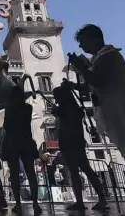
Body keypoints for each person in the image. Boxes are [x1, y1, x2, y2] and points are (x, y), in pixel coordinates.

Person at [69, 24, 125, 170]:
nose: (81, 46)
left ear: (95, 39)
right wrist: (75, 86)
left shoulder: (107, 56)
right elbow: (95, 85)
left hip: (120, 111)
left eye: (83, 41)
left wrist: (81, 67)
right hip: (115, 111)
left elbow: (98, 81)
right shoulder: (101, 58)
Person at [52, 83, 108, 211]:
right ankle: (101, 198)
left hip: (69, 143)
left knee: (75, 173)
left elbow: (63, 125)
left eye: (56, 97)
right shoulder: (75, 108)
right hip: (77, 143)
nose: (55, 100)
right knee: (87, 171)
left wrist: (57, 113)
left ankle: (80, 202)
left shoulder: (64, 110)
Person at [2, 86, 42, 214]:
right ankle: (35, 203)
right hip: (26, 142)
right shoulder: (28, 108)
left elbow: (6, 127)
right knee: (31, 173)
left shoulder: (9, 109)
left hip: (13, 144)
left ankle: (18, 204)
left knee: (14, 175)